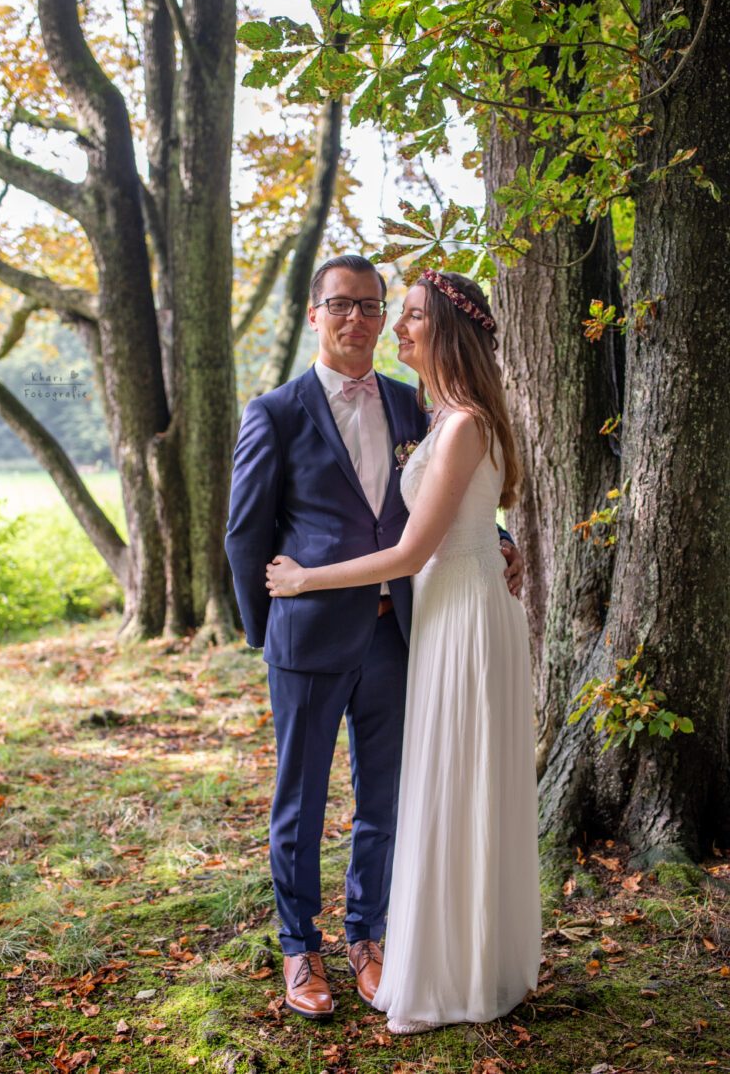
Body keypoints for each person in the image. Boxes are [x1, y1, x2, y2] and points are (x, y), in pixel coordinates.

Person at [225, 255, 524, 1021]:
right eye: (341, 304)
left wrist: (496, 538)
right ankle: (300, 948)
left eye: (370, 305)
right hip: (308, 636)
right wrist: (268, 632)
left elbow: (445, 495)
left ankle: (368, 937)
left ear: (384, 315)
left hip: (399, 634)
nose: (357, 318)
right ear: (315, 314)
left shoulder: (411, 401)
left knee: (384, 800)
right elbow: (244, 534)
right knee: (299, 801)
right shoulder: (276, 412)